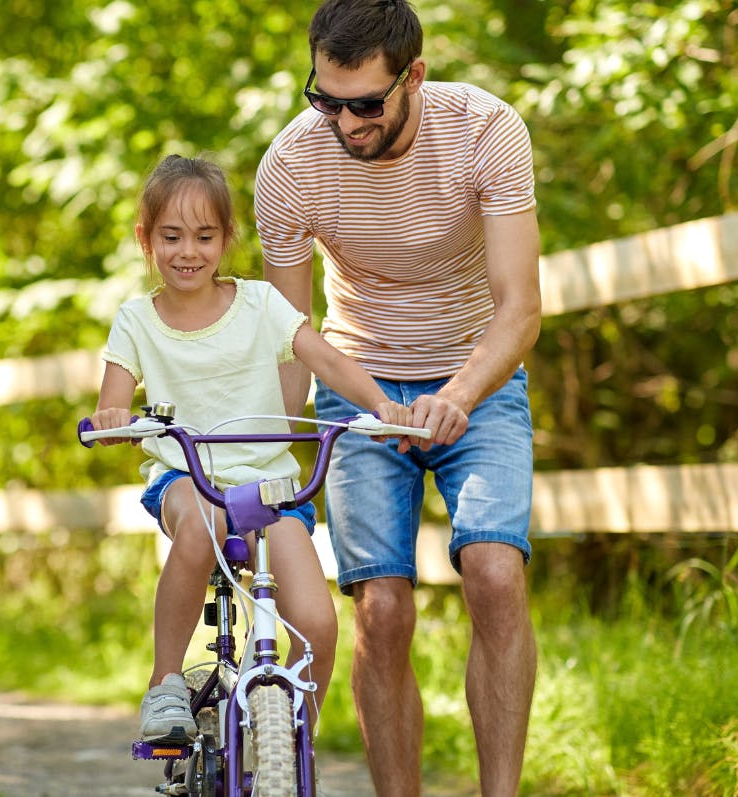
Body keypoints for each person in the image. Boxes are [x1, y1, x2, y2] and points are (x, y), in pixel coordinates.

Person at [254, 1, 541, 794]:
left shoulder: (484, 129)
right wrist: (283, 462)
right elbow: (292, 334)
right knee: (380, 609)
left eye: (366, 103)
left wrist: (455, 395)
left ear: (413, 74)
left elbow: (519, 307)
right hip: (357, 392)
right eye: (325, 99)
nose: (343, 122)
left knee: (492, 571)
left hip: (475, 380)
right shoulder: (289, 167)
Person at [91, 153, 415, 744]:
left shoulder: (261, 304)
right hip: (189, 479)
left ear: (226, 239)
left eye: (205, 236)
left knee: (317, 623)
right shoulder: (136, 320)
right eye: (171, 236)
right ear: (146, 239)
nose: (188, 251)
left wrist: (382, 405)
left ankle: (289, 748)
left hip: (272, 488)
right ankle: (166, 683)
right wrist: (113, 418)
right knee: (202, 523)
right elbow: (112, 402)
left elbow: (328, 360)